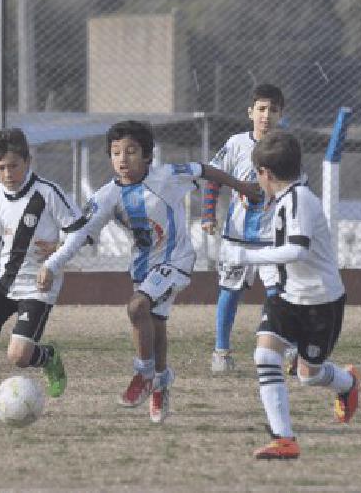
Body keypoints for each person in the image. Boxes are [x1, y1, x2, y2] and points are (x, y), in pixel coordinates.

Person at [40, 120, 263, 423]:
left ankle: (143, 375)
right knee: (154, 323)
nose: (122, 159)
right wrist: (54, 260)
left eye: (131, 151)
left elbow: (205, 169)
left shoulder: (167, 176)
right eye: (116, 152)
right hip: (143, 267)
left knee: (137, 307)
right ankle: (160, 382)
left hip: (177, 260)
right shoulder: (106, 196)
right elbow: (81, 234)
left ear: (147, 156)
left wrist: (243, 187)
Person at [219, 130, 359, 459]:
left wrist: (246, 257)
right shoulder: (282, 200)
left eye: (257, 174)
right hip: (287, 296)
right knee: (265, 356)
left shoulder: (301, 200)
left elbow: (295, 251)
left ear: (265, 174)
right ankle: (284, 439)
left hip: (321, 302)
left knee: (308, 375)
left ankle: (347, 383)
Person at [0, 128, 79, 428]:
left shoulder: (47, 193)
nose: (7, 173)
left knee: (18, 357)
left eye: (13, 166)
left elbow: (80, 233)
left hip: (38, 285)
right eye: (0, 168)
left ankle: (48, 357)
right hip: (5, 282)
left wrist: (55, 258)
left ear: (27, 161)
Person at [201, 83, 296, 373]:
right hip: (237, 237)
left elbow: (296, 189)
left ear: (281, 114)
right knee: (229, 291)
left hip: (272, 239)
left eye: (273, 110)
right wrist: (208, 214)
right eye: (262, 109)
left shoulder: (285, 148)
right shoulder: (235, 144)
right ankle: (221, 351)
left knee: (277, 294)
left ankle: (282, 349)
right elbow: (213, 178)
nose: (267, 115)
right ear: (250, 112)